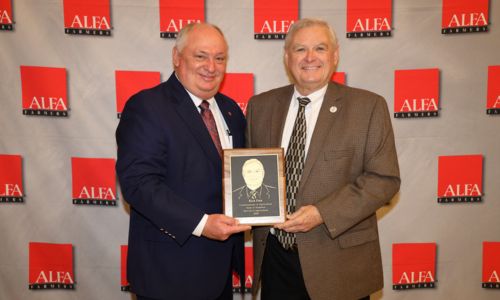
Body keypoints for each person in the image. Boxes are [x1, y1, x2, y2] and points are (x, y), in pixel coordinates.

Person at [246, 18, 400, 300]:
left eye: (320, 48)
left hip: (338, 263)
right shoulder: (260, 107)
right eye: (300, 49)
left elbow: (384, 180)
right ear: (287, 56)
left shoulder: (368, 107)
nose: (310, 58)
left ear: (335, 55)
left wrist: (322, 213)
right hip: (276, 261)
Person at [116, 23, 250, 300]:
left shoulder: (230, 110)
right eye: (200, 56)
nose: (211, 67)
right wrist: (201, 224)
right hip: (170, 272)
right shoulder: (147, 106)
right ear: (177, 57)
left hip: (220, 269)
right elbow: (138, 184)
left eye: (220, 58)